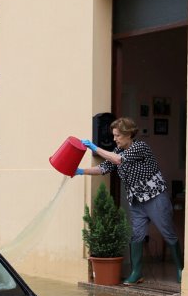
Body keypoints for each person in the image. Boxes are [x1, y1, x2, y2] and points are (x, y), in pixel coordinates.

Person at [75, 117, 182, 284]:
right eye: (114, 135)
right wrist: (80, 171)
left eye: (117, 135)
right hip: (136, 201)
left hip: (155, 198)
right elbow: (104, 167)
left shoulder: (140, 147)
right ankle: (136, 273)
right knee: (137, 237)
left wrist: (94, 147)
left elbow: (118, 161)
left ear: (128, 134)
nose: (114, 139)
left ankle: (179, 269)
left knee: (168, 233)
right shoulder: (117, 151)